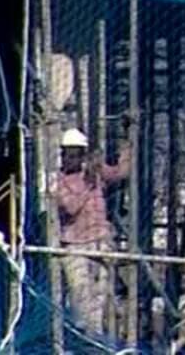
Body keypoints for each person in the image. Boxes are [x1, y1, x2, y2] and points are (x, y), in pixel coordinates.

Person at [53, 125, 130, 334]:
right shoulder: (59, 181)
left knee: (100, 297)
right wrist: (88, 183)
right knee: (80, 298)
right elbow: (71, 207)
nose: (71, 159)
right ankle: (84, 338)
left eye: (76, 154)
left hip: (100, 240)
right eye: (68, 155)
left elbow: (121, 173)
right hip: (74, 247)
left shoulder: (94, 173)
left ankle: (96, 339)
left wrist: (127, 143)